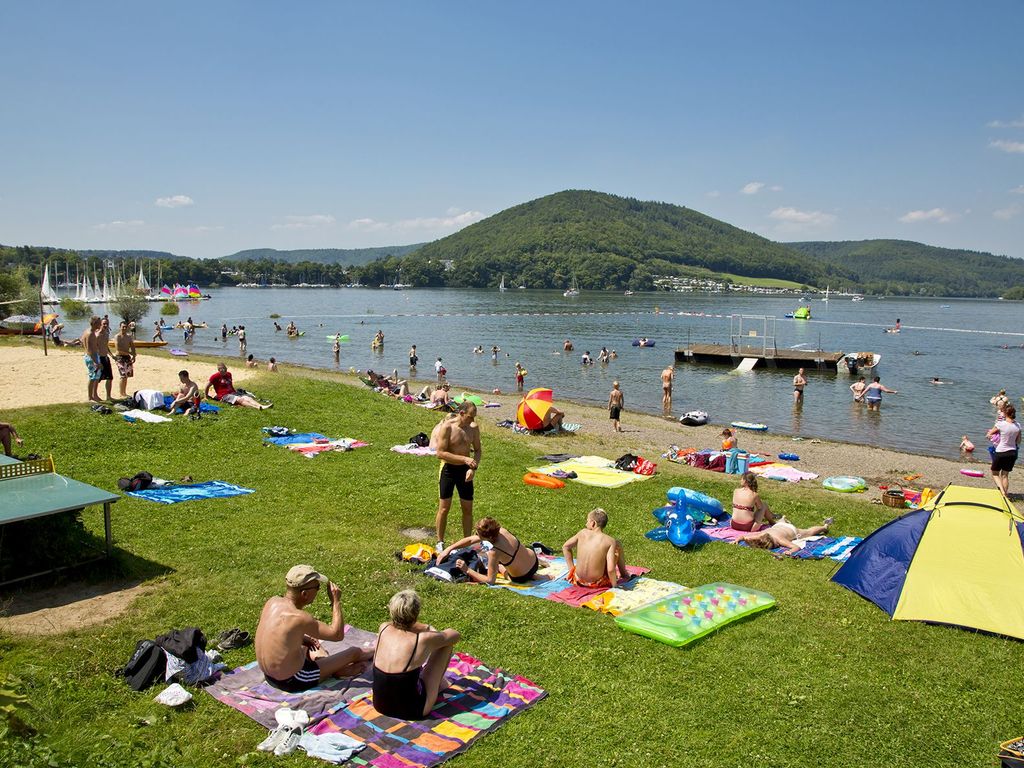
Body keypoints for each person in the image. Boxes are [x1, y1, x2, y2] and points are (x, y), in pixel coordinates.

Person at [255, 565, 374, 693]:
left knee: (311, 641)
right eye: (317, 588)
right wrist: (336, 602)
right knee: (353, 652)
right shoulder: (300, 617)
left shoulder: (272, 602)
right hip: (292, 680)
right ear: (304, 594)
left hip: (269, 676)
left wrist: (303, 639)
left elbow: (279, 633)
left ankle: (332, 668)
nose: (318, 591)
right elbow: (337, 635)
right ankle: (379, 648)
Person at [372, 590, 460, 720]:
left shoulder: (383, 628)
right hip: (412, 710)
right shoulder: (422, 639)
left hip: (379, 705)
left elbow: (400, 626)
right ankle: (439, 684)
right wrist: (429, 628)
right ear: (416, 613)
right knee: (445, 645)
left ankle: (436, 685)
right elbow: (455, 635)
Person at [431, 402, 481, 550]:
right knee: (444, 508)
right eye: (470, 417)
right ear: (461, 413)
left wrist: (473, 468)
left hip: (465, 471)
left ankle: (466, 543)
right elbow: (440, 453)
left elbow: (477, 451)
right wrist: (465, 459)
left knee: (467, 508)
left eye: (474, 417)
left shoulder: (473, 428)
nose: (472, 421)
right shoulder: (448, 427)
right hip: (448, 470)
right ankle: (440, 541)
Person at [436, 517, 537, 585]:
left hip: (521, 577)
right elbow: (471, 540)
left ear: (486, 537)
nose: (475, 534)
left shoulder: (494, 552)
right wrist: (449, 549)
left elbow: (490, 580)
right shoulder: (502, 531)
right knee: (510, 557)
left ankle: (519, 575)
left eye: (477, 533)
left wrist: (467, 569)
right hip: (534, 562)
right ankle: (537, 574)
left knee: (496, 565)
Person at [561, 508, 630, 587]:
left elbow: (565, 547)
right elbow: (610, 569)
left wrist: (571, 571)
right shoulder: (610, 541)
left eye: (587, 521)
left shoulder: (582, 533)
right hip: (596, 583)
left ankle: (573, 574)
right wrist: (615, 586)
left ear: (593, 523)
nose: (586, 524)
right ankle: (624, 574)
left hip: (577, 579)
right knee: (617, 546)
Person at [739, 516, 834, 558]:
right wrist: (737, 539)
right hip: (778, 526)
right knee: (781, 522)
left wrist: (790, 551)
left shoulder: (780, 539)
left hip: (792, 530)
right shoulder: (761, 535)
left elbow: (796, 547)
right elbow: (745, 537)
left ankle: (824, 527)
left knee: (809, 532)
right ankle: (783, 518)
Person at [987, 404, 1021, 497]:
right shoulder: (1018, 426)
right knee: (1005, 475)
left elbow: (989, 434)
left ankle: (1002, 492)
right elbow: (1018, 441)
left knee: (994, 473)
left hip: (1001, 452)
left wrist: (991, 437)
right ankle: (1005, 495)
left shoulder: (1000, 424)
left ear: (1005, 413)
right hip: (1012, 453)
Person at [206, 362, 271, 409]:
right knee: (240, 400)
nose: (224, 372)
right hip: (224, 395)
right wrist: (206, 396)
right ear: (219, 370)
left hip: (233, 393)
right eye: (222, 370)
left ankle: (261, 406)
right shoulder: (215, 377)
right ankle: (257, 407)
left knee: (248, 398)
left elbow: (230, 385)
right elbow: (207, 386)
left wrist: (234, 392)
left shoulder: (229, 374)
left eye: (225, 370)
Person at [81, 316, 103, 403]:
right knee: (93, 377)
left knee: (95, 376)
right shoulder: (90, 334)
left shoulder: (87, 331)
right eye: (99, 323)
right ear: (94, 323)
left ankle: (94, 395)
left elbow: (82, 342)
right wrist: (96, 362)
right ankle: (90, 397)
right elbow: (90, 350)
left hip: (89, 355)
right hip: (92, 357)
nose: (100, 324)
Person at [113, 321, 137, 398]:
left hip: (127, 357)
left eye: (125, 327)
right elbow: (118, 348)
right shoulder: (117, 337)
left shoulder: (129, 336)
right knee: (123, 375)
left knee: (127, 375)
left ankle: (124, 392)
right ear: (120, 327)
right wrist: (130, 352)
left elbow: (132, 346)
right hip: (119, 357)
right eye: (123, 327)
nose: (124, 328)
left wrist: (134, 355)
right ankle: (121, 393)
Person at [97, 316, 114, 401]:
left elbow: (106, 346)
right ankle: (94, 395)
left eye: (107, 324)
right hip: (99, 358)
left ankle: (108, 396)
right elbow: (94, 348)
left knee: (109, 378)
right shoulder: (97, 335)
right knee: (97, 379)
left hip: (106, 357)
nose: (105, 325)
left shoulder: (106, 334)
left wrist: (111, 355)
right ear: (100, 324)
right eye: (104, 324)